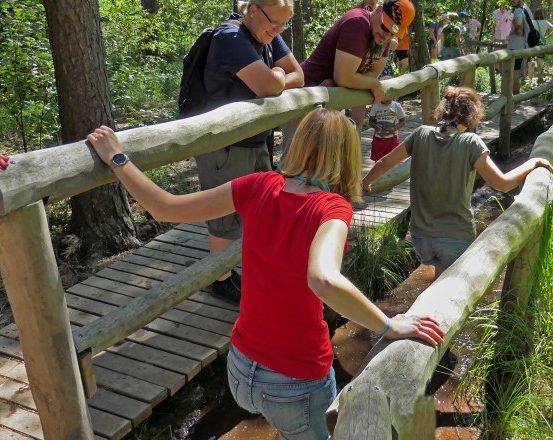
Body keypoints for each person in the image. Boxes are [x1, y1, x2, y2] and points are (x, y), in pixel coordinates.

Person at [86, 108, 445, 440]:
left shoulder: (259, 184)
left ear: (299, 143)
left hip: (241, 369)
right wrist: (388, 325)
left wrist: (118, 158)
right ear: (348, 155)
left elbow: (163, 207)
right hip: (295, 380)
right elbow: (323, 278)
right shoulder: (332, 208)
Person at [362, 87, 553, 278]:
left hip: (421, 239)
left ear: (443, 109)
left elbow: (385, 162)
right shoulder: (470, 142)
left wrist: (365, 183)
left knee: (440, 279)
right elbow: (502, 184)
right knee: (455, 287)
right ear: (472, 114)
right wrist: (533, 162)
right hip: (455, 237)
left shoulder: (420, 133)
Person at [194, 0, 304, 304]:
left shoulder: (268, 29)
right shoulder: (229, 37)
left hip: (254, 140)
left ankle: (238, 270)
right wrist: (277, 78)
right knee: (225, 215)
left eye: (284, 25)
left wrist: (276, 78)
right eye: (274, 24)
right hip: (225, 146)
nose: (278, 30)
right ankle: (221, 279)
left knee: (259, 207)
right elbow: (271, 84)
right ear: (252, 10)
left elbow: (298, 75)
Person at [300, 0, 415, 131]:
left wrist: (362, 81)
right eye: (384, 27)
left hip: (329, 104)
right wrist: (374, 84)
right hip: (304, 98)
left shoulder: (383, 36)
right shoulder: (357, 22)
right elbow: (344, 78)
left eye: (393, 33)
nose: (386, 36)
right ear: (378, 10)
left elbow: (371, 75)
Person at [368, 77, 406, 161]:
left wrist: (395, 128)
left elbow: (403, 121)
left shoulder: (397, 106)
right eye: (385, 95)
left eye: (390, 95)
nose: (388, 98)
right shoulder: (376, 105)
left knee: (392, 160)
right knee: (378, 161)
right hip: (378, 139)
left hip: (392, 139)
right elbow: (370, 121)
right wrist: (375, 126)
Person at [507, 0, 534, 95]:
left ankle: (515, 100)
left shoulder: (518, 11)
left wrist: (511, 33)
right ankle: (516, 99)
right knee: (516, 72)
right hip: (524, 45)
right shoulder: (527, 9)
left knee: (513, 73)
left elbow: (518, 25)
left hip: (516, 46)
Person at [528, 8, 553, 82]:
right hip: (542, 43)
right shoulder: (545, 22)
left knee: (530, 62)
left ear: (534, 14)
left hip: (532, 43)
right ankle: (539, 79)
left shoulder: (532, 22)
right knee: (540, 61)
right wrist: (546, 37)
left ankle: (529, 80)